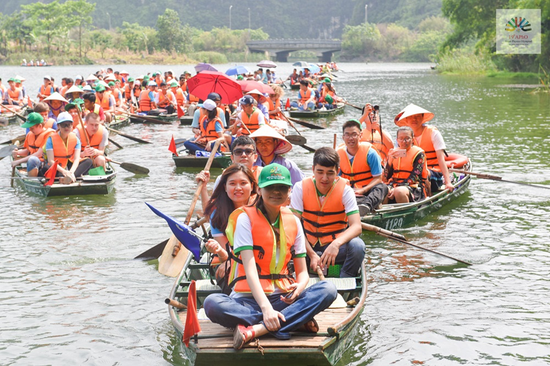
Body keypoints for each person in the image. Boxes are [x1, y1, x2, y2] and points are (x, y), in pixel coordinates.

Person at [203, 164, 338, 350]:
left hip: (284, 298)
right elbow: (250, 270)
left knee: (328, 289)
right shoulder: (245, 219)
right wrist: (266, 309)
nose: (276, 192)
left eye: (282, 187)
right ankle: (292, 320)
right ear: (259, 190)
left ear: (289, 191)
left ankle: (258, 329)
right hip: (248, 300)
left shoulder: (294, 221)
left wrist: (298, 288)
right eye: (270, 187)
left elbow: (303, 273)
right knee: (212, 303)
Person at [290, 147, 366, 278]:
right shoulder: (300, 187)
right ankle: (298, 274)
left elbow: (356, 226)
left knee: (357, 246)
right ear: (313, 169)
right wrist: (311, 254)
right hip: (307, 245)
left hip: (335, 246)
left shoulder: (346, 191)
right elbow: (293, 226)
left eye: (330, 173)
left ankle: (346, 277)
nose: (324, 178)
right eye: (320, 172)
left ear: (337, 172)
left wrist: (335, 244)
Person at [196, 164, 257, 293]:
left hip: (258, 259)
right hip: (229, 259)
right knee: (228, 271)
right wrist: (225, 258)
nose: (238, 188)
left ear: (252, 186)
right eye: (232, 184)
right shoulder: (217, 213)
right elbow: (225, 253)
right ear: (225, 187)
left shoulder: (262, 208)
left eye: (243, 183)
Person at [394, 104, 454, 194]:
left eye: (417, 116)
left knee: (423, 173)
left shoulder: (433, 133)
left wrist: (448, 182)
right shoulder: (402, 137)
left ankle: (424, 194)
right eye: (411, 117)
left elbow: (441, 159)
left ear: (422, 118)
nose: (414, 119)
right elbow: (397, 160)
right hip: (410, 174)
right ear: (406, 120)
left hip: (433, 172)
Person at [337, 119, 388, 215]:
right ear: (343, 137)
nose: (350, 138)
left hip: (368, 191)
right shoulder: (338, 154)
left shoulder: (370, 153)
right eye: (347, 135)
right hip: (349, 191)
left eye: (354, 134)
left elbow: (378, 178)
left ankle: (367, 206)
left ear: (360, 135)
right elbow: (337, 178)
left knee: (382, 187)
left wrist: (363, 190)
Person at [42, 112, 93, 184]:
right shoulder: (50, 139)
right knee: (46, 168)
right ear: (58, 126)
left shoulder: (75, 139)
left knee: (88, 161)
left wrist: (71, 172)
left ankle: (69, 177)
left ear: (72, 125)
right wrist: (64, 171)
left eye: (68, 125)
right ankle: (67, 177)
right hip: (57, 166)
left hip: (70, 165)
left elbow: (76, 159)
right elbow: (51, 160)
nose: (66, 128)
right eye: (63, 125)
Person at [384, 126, 428, 203]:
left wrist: (398, 187)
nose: (404, 141)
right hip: (394, 184)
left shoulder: (419, 154)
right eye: (401, 139)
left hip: (413, 185)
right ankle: (383, 212)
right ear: (397, 140)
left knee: (399, 191)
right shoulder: (393, 153)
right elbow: (386, 177)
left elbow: (415, 176)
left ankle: (405, 213)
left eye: (407, 138)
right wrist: (390, 161)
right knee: (382, 190)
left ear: (412, 139)